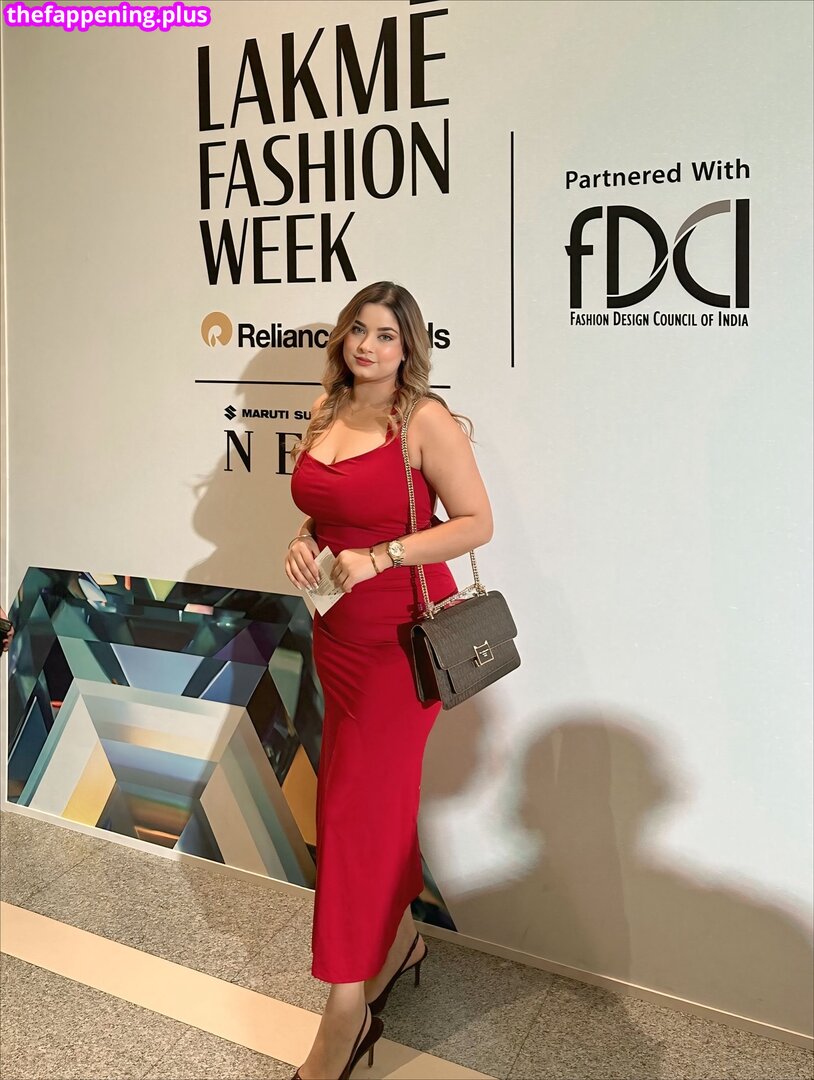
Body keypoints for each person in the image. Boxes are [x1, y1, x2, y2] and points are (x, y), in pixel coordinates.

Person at [285, 281, 493, 1080]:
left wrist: (383, 555)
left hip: (399, 644)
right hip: (335, 631)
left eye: (386, 335)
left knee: (347, 816)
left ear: (409, 348)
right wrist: (304, 539)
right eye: (358, 331)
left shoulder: (424, 420)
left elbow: (476, 523)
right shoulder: (326, 409)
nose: (367, 347)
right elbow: (331, 507)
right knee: (371, 807)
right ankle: (400, 940)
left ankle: (345, 1014)